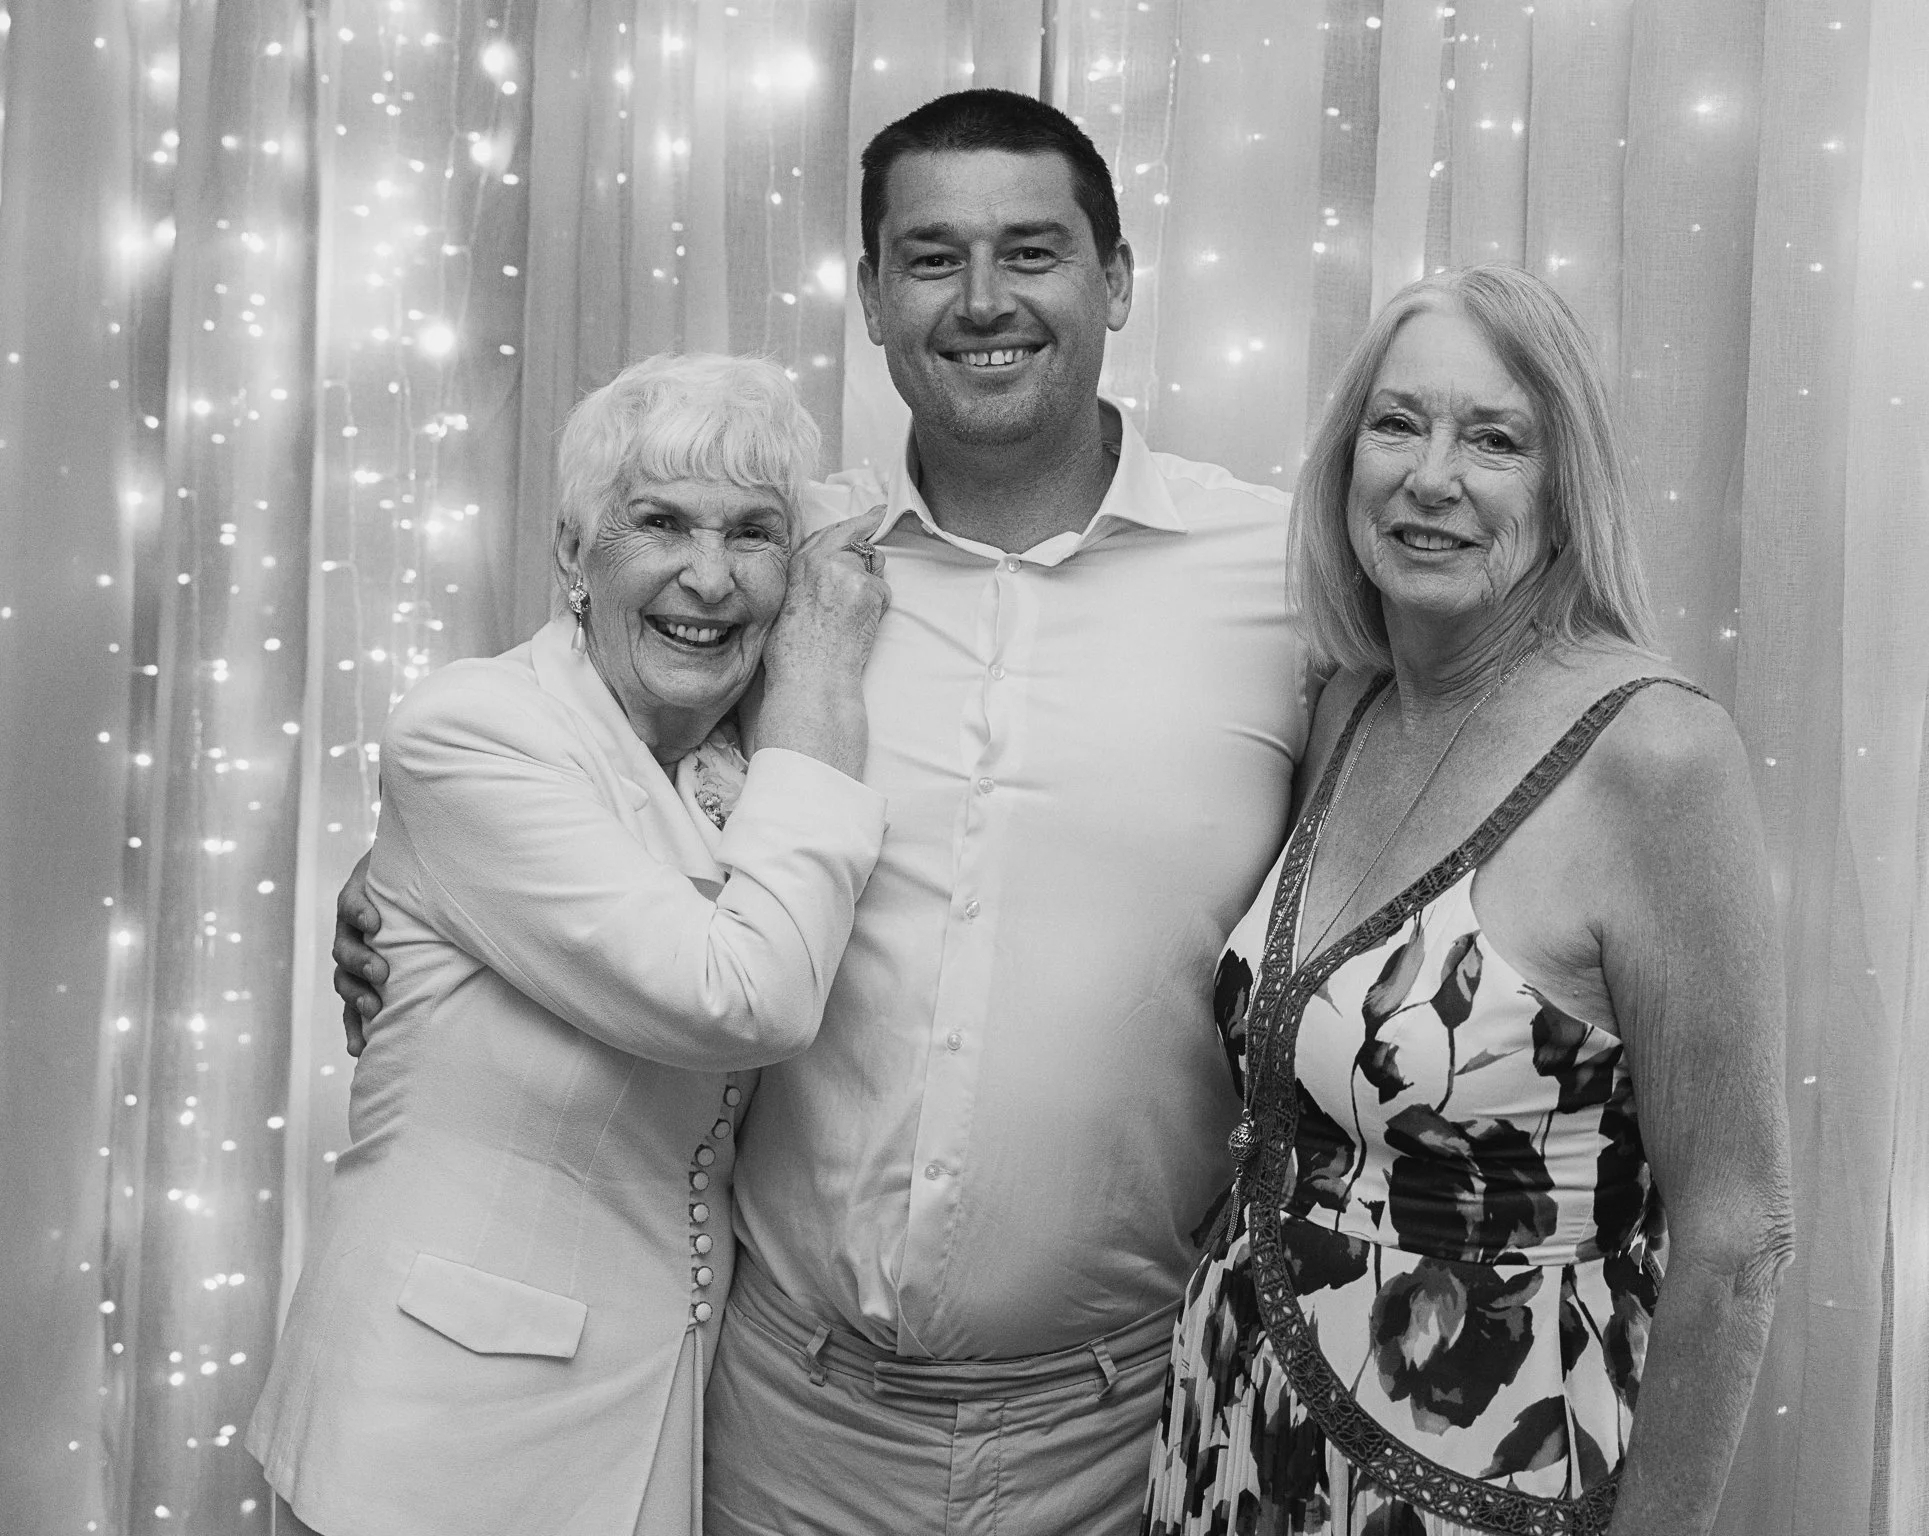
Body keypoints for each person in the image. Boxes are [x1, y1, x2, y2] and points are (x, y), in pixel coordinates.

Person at [334, 89, 1309, 1535]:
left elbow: (1416, 820)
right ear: (869, 297)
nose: (983, 301)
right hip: (783, 1421)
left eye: (1033, 251)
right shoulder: (783, 570)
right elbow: (576, 752)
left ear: (1117, 278)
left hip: (1119, 1430)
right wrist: (392, 877)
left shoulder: (1283, 577)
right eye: (930, 257)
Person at [1142, 265, 1794, 1536]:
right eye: (1397, 425)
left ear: (1564, 488)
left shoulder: (1655, 756)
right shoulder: (1348, 704)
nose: (1429, 476)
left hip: (1485, 1469)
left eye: (1492, 439)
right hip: (1232, 1427)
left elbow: (1736, 1235)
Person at [250, 353, 892, 1536]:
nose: (709, 577)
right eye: (659, 523)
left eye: (753, 536)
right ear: (571, 553)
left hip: (658, 1421)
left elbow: (865, 519)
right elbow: (740, 1000)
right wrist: (817, 712)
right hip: (437, 1437)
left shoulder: (717, 762)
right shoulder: (472, 729)